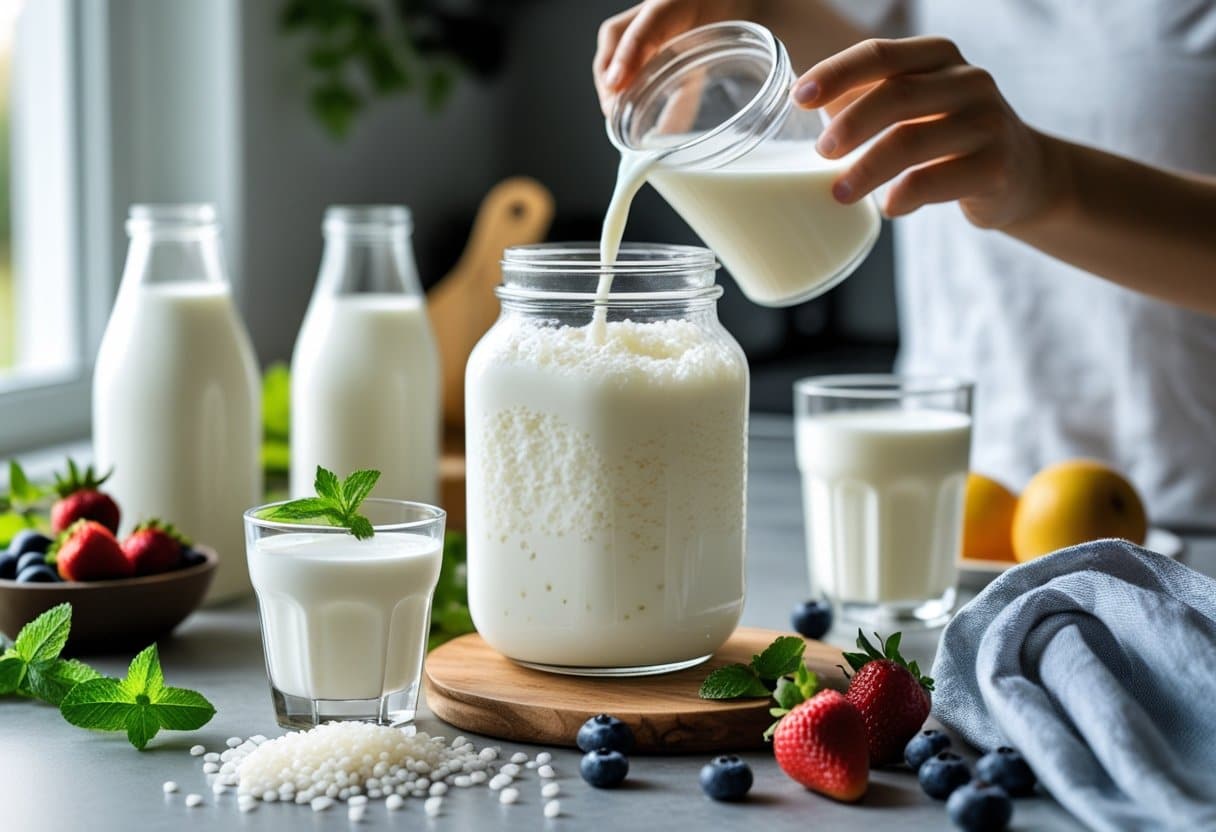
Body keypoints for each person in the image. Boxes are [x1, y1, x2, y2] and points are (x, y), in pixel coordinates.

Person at [593, 0, 1216, 528]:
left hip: (1182, 515)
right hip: (950, 503)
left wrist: (1048, 181)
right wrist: (748, 10)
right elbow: (846, 55)